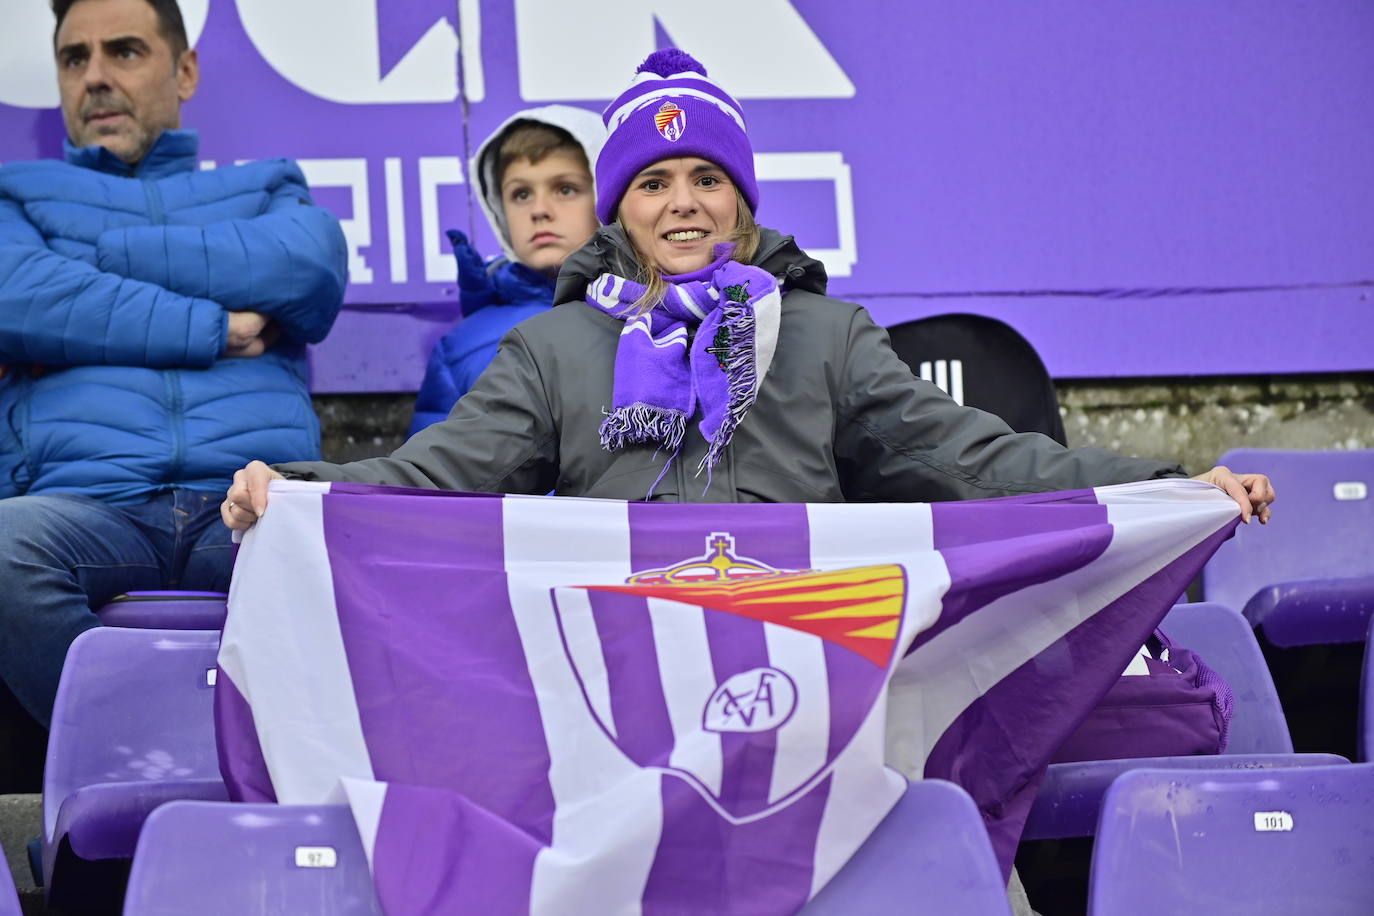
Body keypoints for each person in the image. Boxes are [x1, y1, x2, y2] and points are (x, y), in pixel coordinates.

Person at [224, 47, 1272, 527]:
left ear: (743, 203)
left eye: (708, 179)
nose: (683, 204)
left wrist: (1169, 483)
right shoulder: (549, 352)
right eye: (654, 182)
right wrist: (303, 491)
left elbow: (974, 457)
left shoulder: (825, 334)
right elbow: (437, 476)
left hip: (812, 648)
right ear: (620, 208)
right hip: (618, 656)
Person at [0, 0, 347, 739]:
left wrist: (96, 258)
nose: (94, 78)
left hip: (253, 495)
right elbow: (16, 296)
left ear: (184, 70)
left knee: (351, 556)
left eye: (123, 52)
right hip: (89, 508)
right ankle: (146, 752)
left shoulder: (267, 185)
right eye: (74, 58)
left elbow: (309, 268)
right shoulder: (16, 194)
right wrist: (217, 324)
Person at [410, 106, 603, 434]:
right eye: (521, 194)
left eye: (565, 189)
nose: (539, 210)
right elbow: (431, 478)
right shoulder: (463, 347)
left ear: (608, 193)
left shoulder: (659, 317)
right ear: (499, 210)